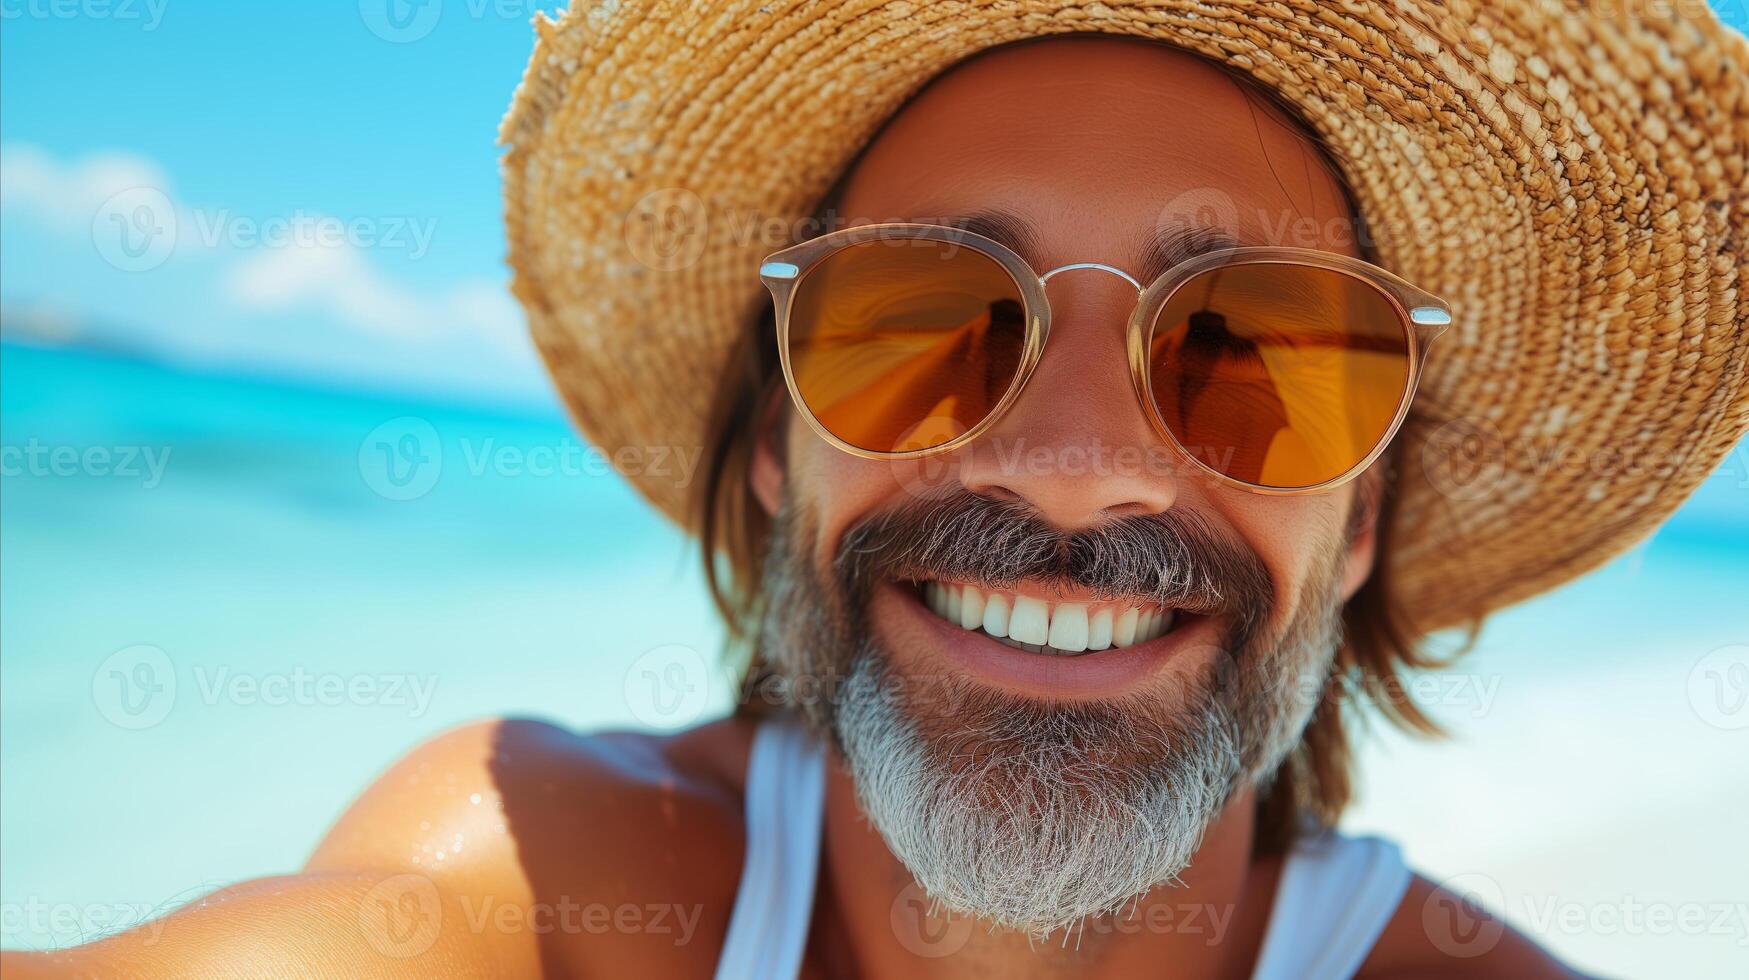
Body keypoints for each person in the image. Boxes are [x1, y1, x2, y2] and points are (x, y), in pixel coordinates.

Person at [11, 1, 1747, 977]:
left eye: (1255, 351)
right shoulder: (547, 899)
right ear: (776, 449)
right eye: (921, 321)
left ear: (1357, 523)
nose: (1073, 467)